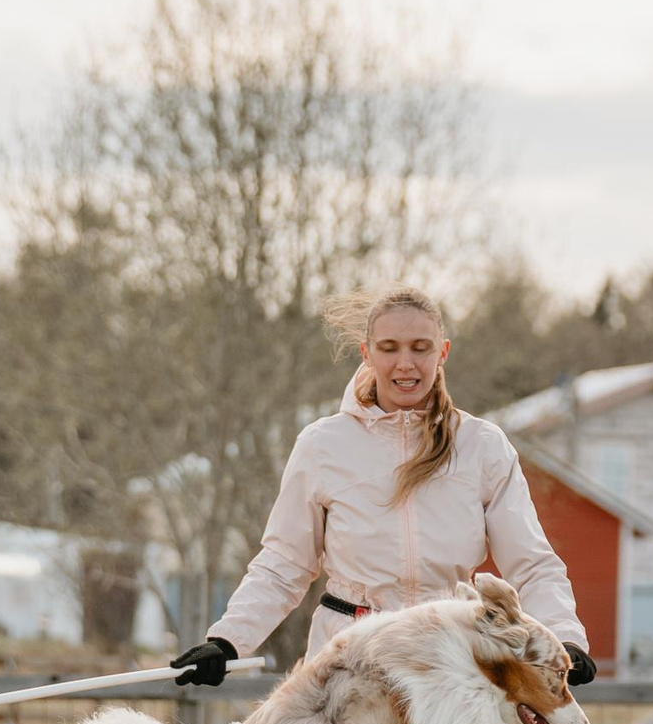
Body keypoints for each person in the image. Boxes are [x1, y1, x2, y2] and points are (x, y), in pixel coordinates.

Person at [170, 284, 595, 688]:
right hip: (350, 661)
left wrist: (564, 638)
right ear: (367, 354)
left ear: (442, 352)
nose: (405, 364)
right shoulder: (323, 445)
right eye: (389, 349)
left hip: (450, 658)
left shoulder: (482, 446)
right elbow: (284, 564)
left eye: (420, 348)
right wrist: (227, 641)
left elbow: (532, 564)